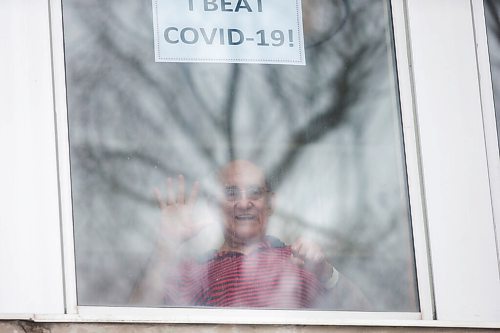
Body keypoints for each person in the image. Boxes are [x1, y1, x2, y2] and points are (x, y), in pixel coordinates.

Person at [130, 160, 368, 309]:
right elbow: (135, 320)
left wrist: (326, 273)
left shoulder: (298, 262)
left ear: (271, 203)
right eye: (232, 193)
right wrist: (166, 246)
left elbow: (366, 318)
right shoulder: (198, 271)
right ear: (217, 205)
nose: (244, 203)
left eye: (254, 193)